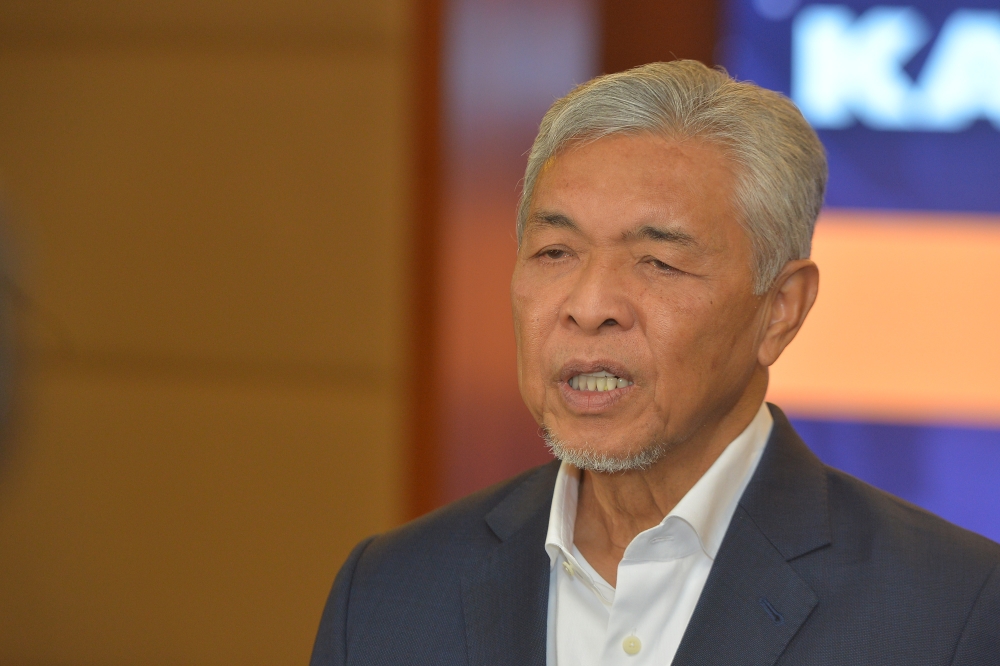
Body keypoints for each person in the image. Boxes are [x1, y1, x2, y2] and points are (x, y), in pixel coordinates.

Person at [310, 61, 1000, 665]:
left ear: (780, 310)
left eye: (658, 262)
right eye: (555, 253)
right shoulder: (387, 592)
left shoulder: (952, 613)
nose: (589, 306)